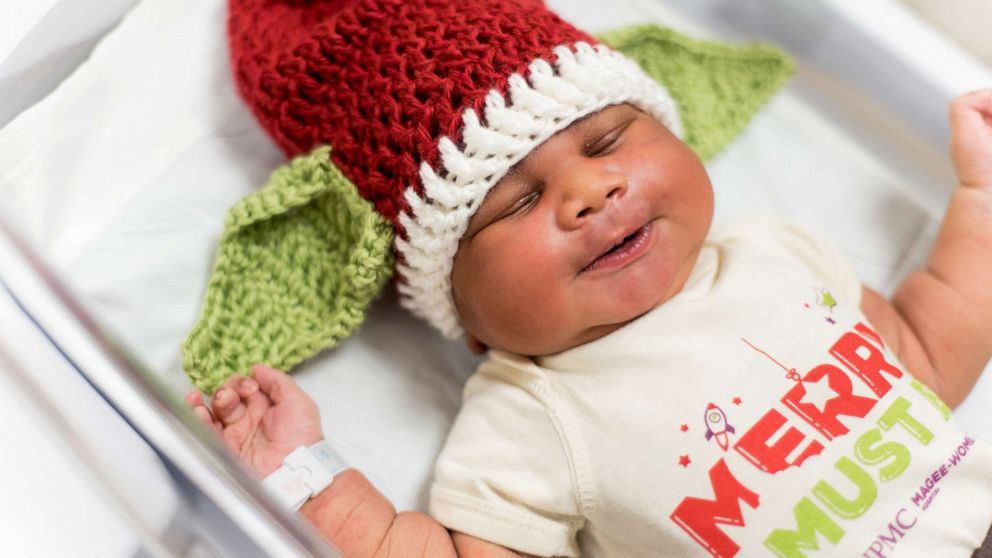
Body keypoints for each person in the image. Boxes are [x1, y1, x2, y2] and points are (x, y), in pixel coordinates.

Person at [184, 0, 992, 556]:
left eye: (607, 142)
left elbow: (925, 348)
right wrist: (305, 477)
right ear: (466, 315)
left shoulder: (776, 256)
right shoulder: (529, 414)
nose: (589, 191)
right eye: (517, 202)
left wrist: (981, 194)